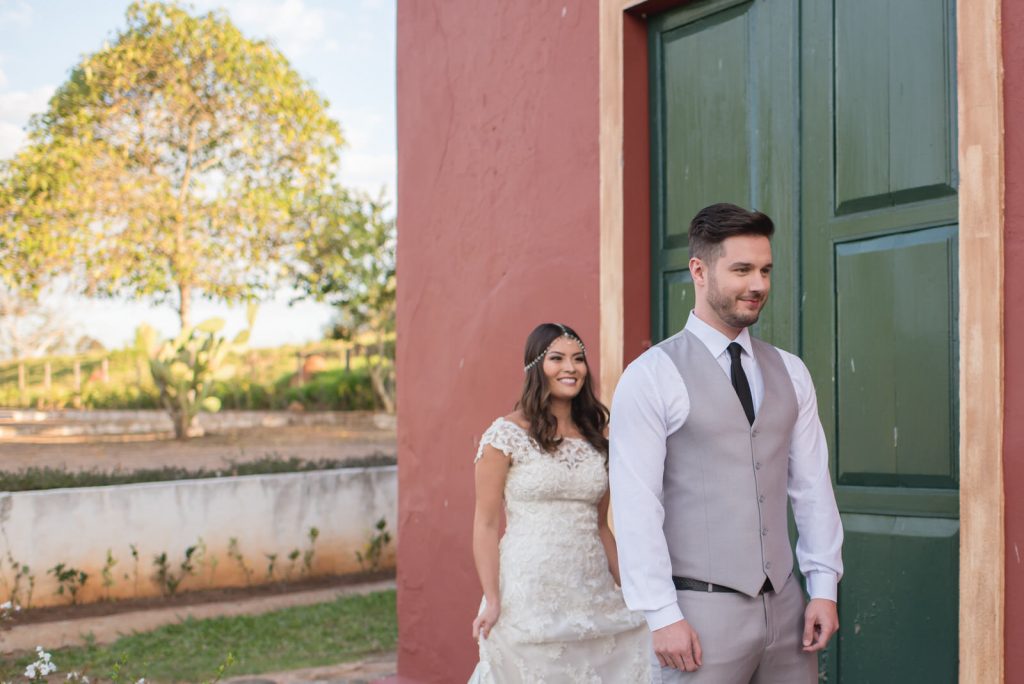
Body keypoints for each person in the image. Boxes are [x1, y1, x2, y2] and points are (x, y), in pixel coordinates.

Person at [609, 203, 844, 683]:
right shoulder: (652, 376)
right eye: (741, 270)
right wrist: (661, 614)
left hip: (786, 610)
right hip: (696, 616)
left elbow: (812, 487)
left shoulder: (791, 371)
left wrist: (823, 587)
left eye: (765, 270)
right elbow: (636, 506)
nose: (757, 284)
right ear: (699, 270)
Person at [469, 323, 651, 683]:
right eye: (557, 358)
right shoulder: (505, 436)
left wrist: (629, 588)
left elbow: (601, 526)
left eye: (578, 359)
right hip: (529, 589)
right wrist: (492, 598)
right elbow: (486, 524)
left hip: (591, 589)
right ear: (536, 367)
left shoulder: (599, 438)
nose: (571, 368)